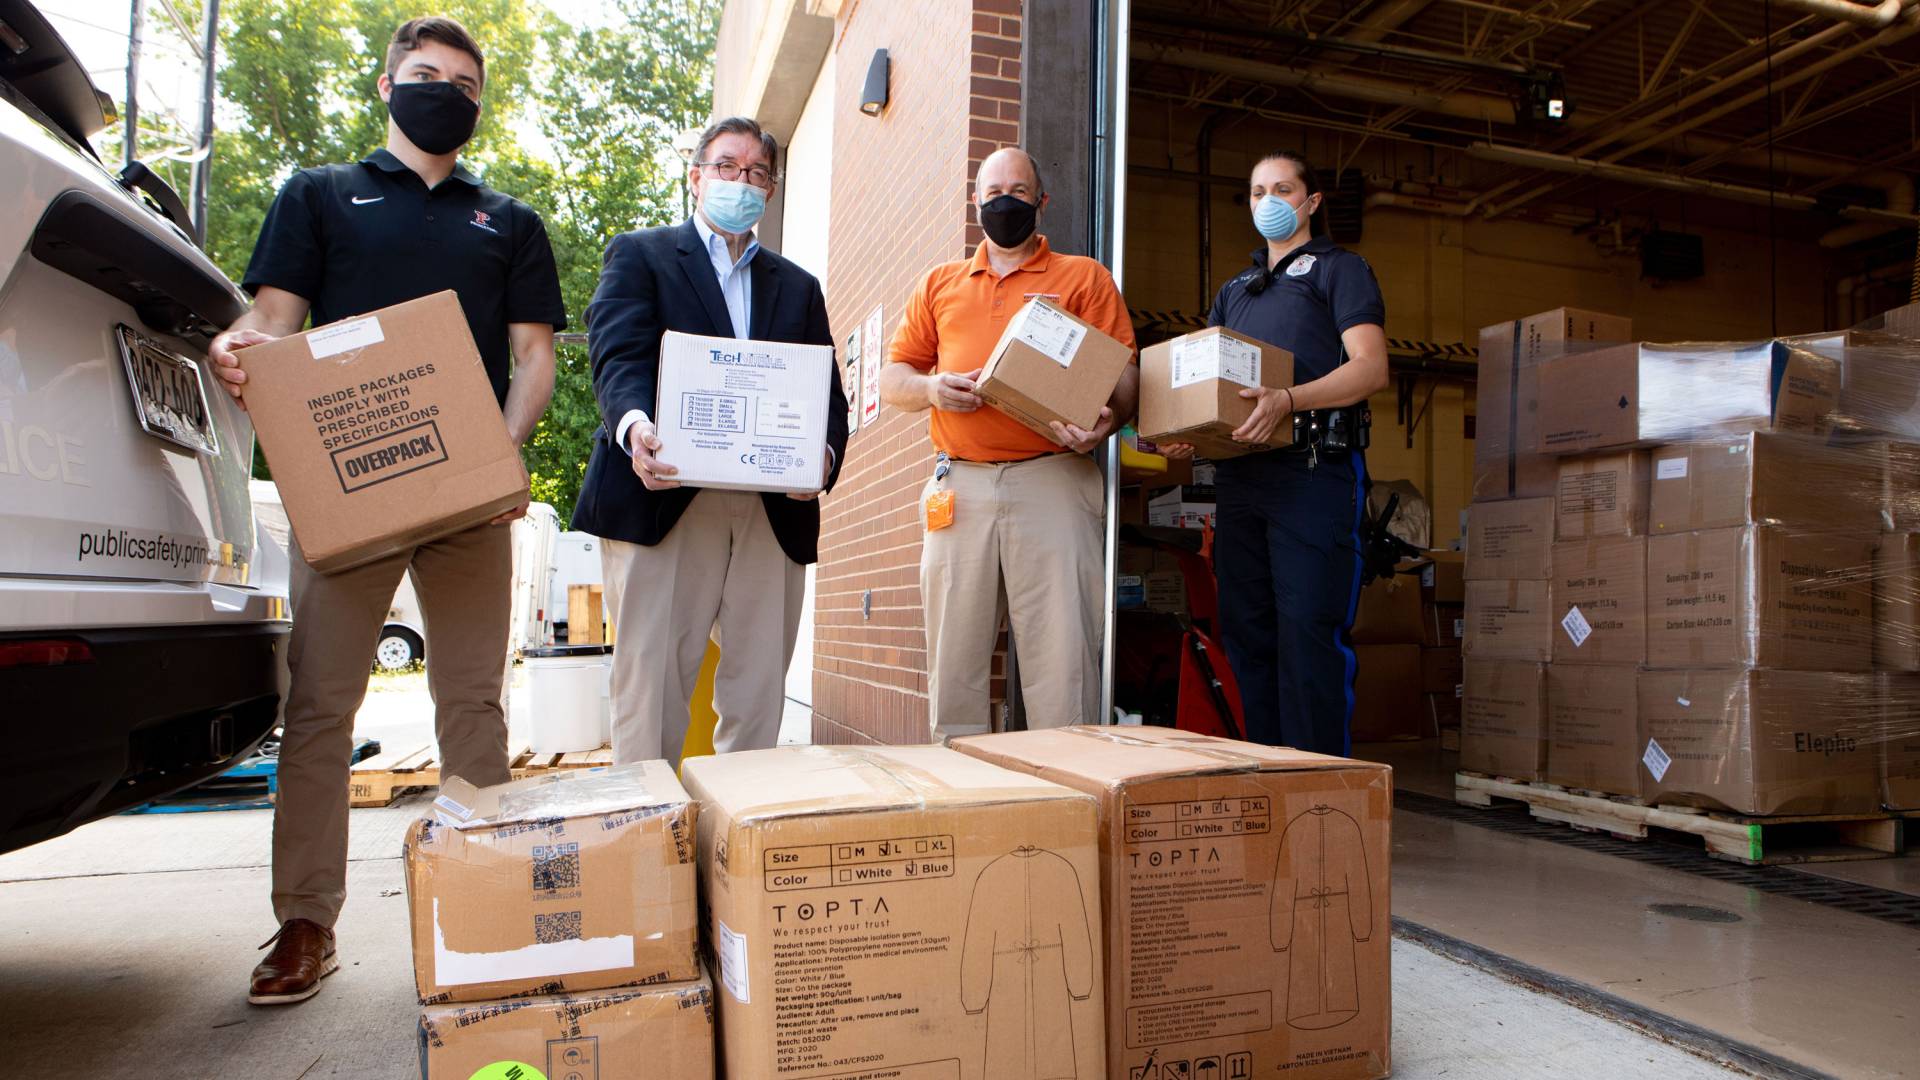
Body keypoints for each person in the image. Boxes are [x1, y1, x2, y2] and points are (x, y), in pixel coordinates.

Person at [208, 17, 566, 1006]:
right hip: (350, 488)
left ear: (479, 104)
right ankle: (305, 923)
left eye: (461, 81)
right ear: (386, 85)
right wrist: (235, 349)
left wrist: (501, 452)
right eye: (424, 75)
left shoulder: (510, 221)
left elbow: (533, 356)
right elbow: (272, 324)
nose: (441, 90)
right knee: (321, 704)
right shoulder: (321, 195)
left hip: (464, 499)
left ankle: (485, 905)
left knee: (474, 706)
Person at [571, 116, 848, 767]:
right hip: (665, 493)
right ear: (697, 177)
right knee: (653, 691)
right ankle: (651, 847)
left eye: (757, 173)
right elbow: (618, 356)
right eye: (727, 166)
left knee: (757, 695)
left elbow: (826, 396)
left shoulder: (799, 287)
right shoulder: (642, 254)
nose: (741, 181)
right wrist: (635, 429)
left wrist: (822, 459)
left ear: (771, 191)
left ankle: (736, 846)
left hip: (770, 509)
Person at [881, 146, 1138, 736]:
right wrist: (932, 388)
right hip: (959, 486)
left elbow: (1123, 372)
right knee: (955, 661)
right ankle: (964, 797)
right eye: (993, 192)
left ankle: (1070, 792)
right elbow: (893, 379)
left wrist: (1108, 420)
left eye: (1018, 192)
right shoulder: (939, 284)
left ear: (1041, 203)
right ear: (976, 204)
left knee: (1063, 658)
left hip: (1053, 477)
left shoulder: (1084, 277)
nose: (1005, 202)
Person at [1162, 150, 1389, 756]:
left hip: (1313, 475)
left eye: (1282, 189)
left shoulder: (1339, 269)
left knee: (1306, 632)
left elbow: (1371, 369)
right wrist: (1187, 431)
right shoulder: (1236, 289)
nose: (1268, 202)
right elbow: (1206, 385)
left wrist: (1289, 399)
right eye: (1258, 190)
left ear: (1311, 202)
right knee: (1247, 632)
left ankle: (1317, 786)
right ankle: (1266, 771)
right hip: (1241, 480)